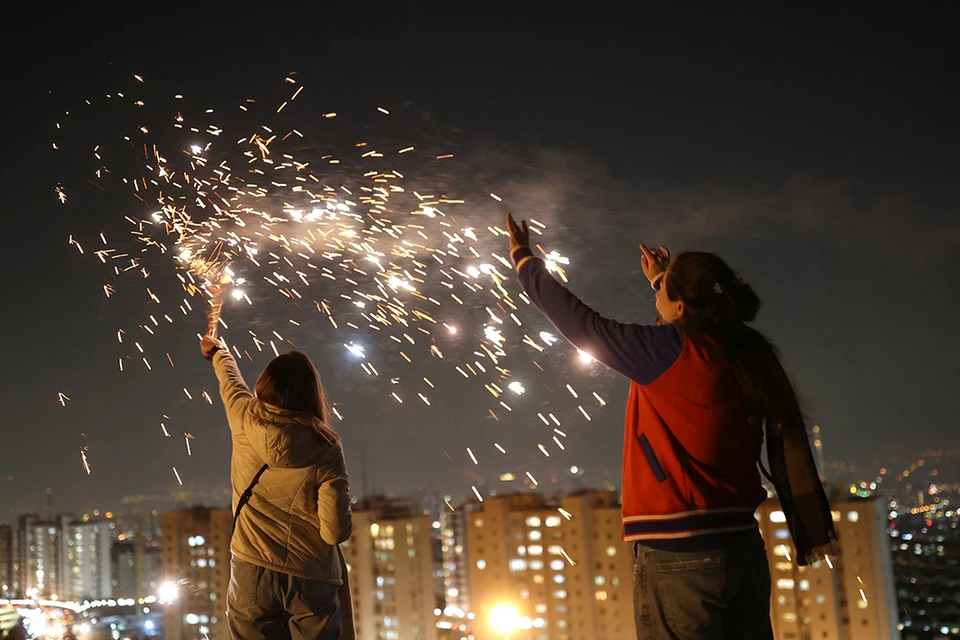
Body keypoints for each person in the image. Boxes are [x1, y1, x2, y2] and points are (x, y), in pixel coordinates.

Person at [505, 215, 835, 639]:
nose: (656, 292)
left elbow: (580, 323)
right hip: (742, 549)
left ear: (681, 305)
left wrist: (523, 259)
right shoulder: (744, 351)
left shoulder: (669, 353)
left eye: (664, 290)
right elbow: (691, 324)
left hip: (680, 556)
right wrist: (665, 279)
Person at [200, 334, 355, 640]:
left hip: (250, 569)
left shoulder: (243, 417)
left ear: (264, 386)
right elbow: (334, 532)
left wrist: (218, 351)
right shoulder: (326, 446)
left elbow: (231, 381)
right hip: (311, 574)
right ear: (311, 395)